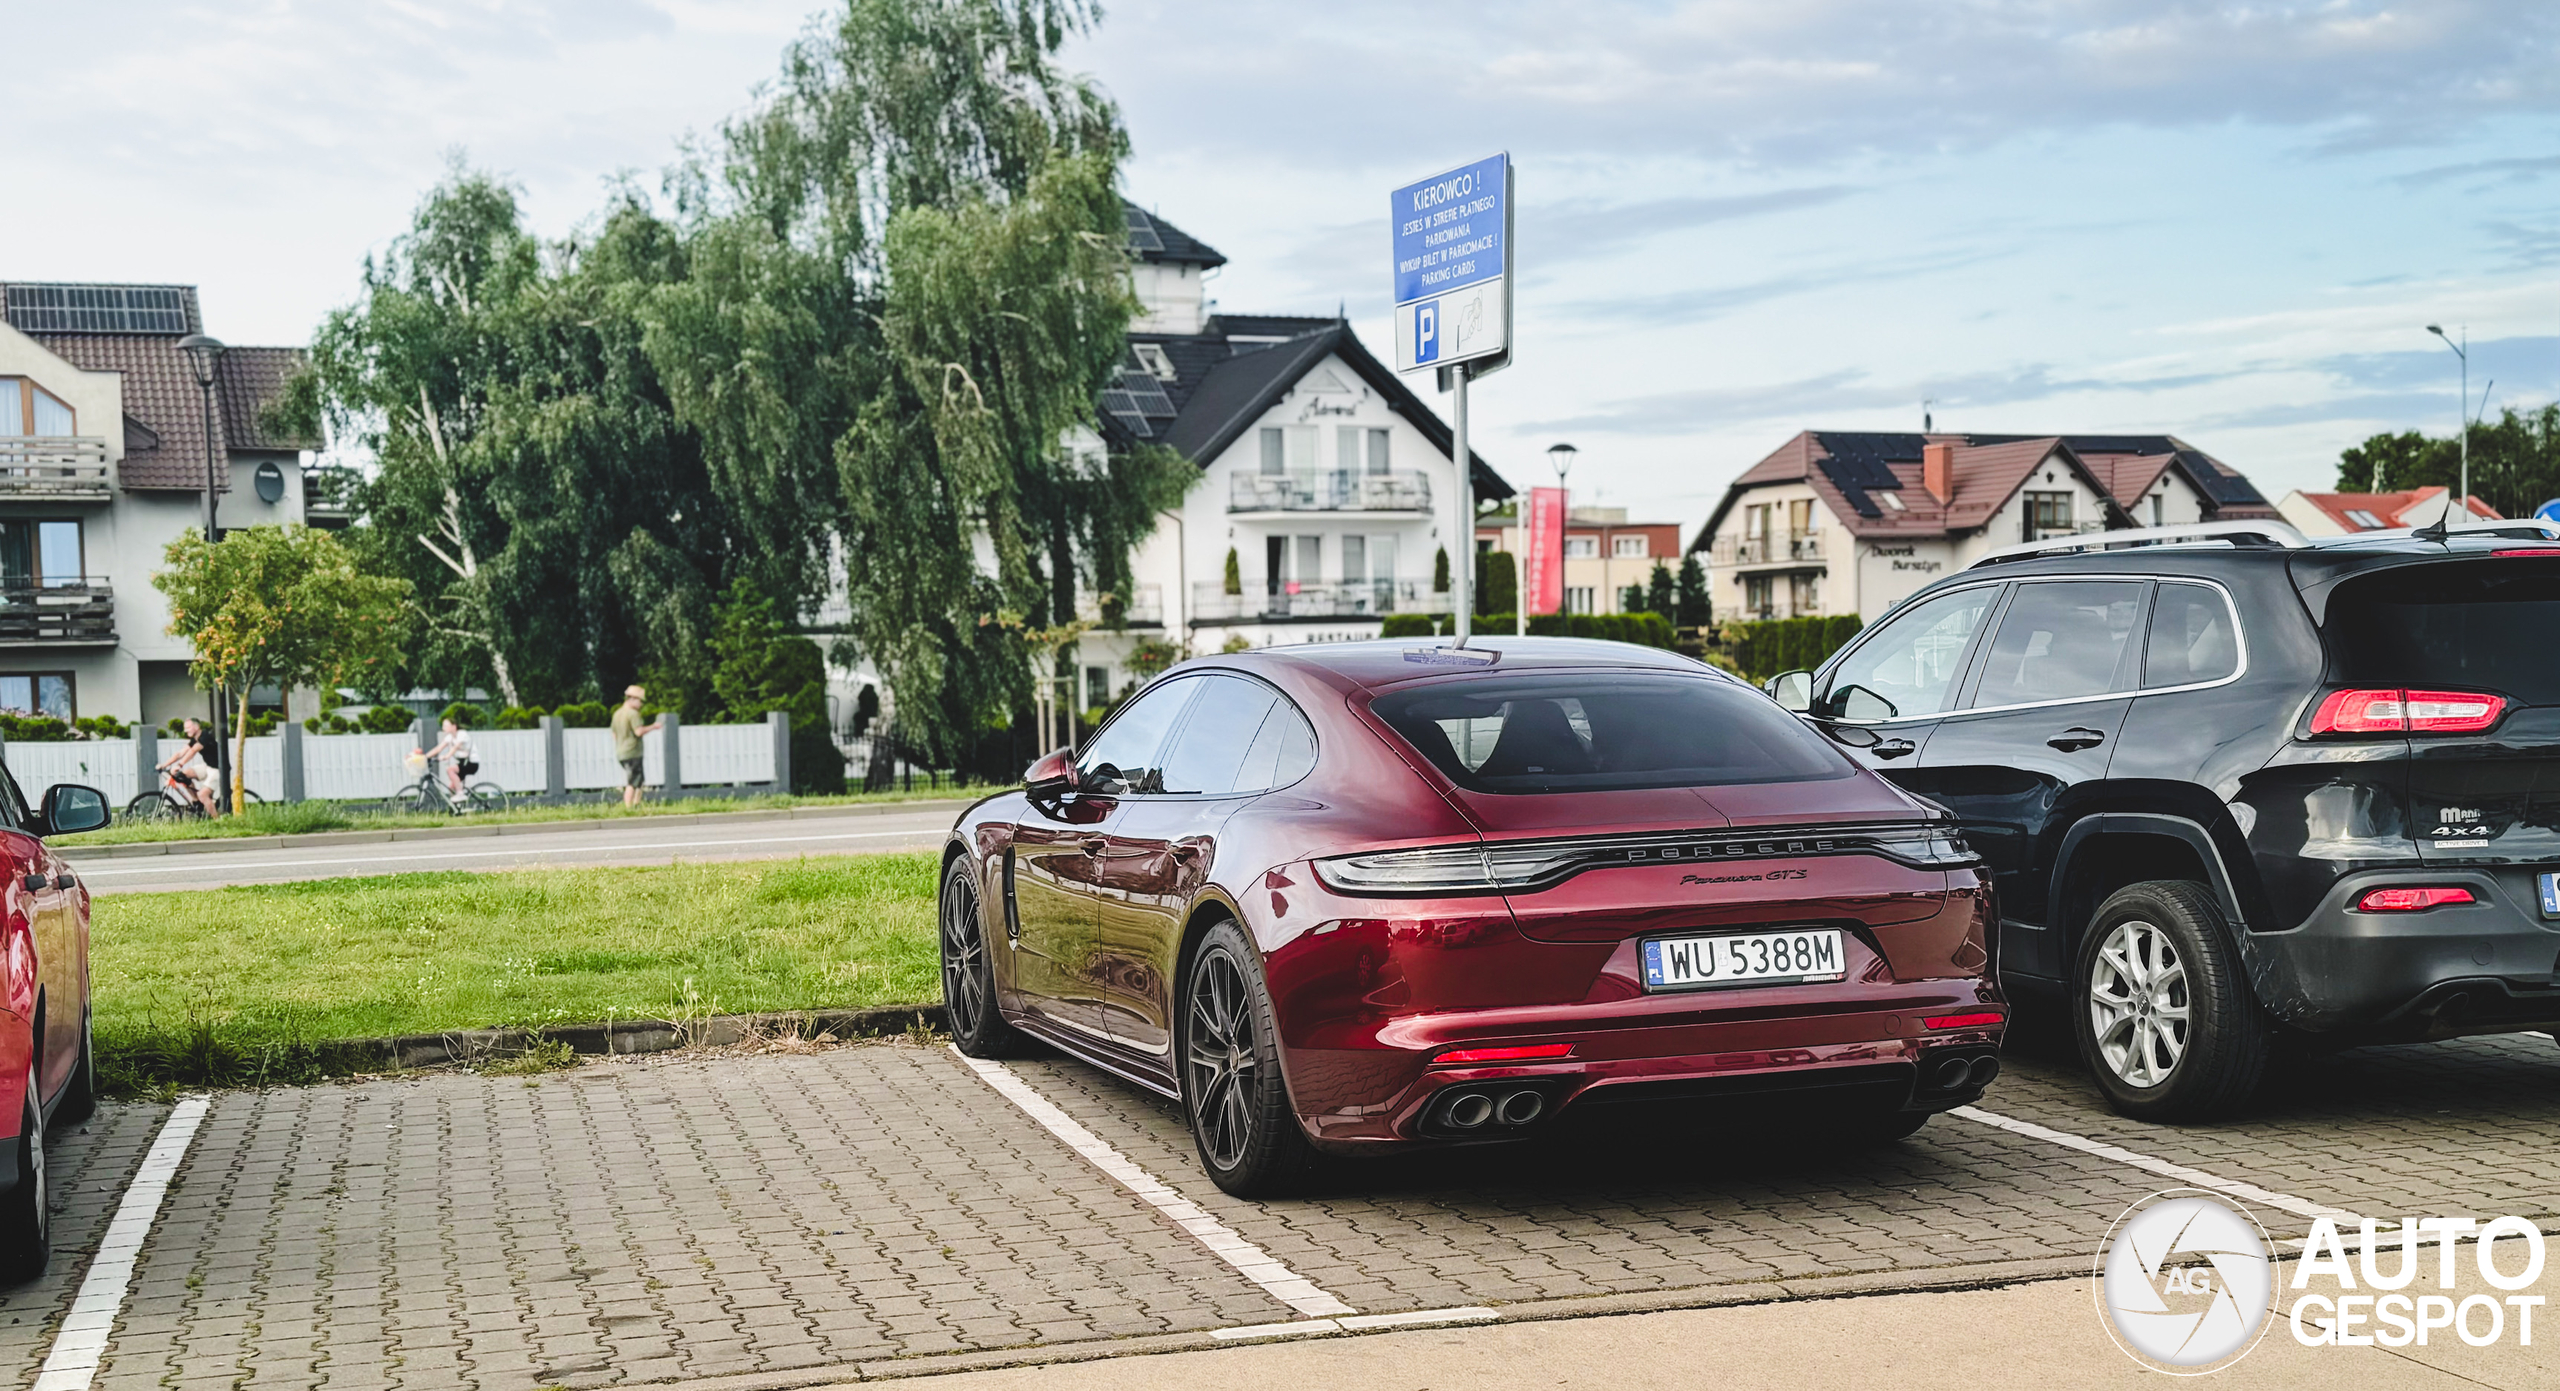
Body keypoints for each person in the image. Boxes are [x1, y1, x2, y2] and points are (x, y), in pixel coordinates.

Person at [154, 717, 219, 816]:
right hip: (208, 767)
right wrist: (164, 765)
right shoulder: (195, 739)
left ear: (196, 727)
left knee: (203, 795)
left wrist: (179, 765)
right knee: (184, 775)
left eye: (188, 728)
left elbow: (192, 751)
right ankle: (197, 802)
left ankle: (217, 821)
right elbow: (180, 753)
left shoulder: (205, 736)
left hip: (218, 769)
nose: (185, 730)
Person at [611, 685, 660, 807]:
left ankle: (637, 804)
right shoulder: (633, 714)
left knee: (639, 780)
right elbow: (638, 731)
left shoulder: (617, 714)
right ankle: (628, 807)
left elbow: (614, 734)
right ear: (631, 699)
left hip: (621, 752)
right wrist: (653, 726)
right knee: (633, 782)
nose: (641, 704)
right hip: (633, 752)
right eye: (640, 701)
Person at [423, 717, 478, 801]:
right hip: (463, 763)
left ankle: (460, 794)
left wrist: (447, 756)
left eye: (445, 725)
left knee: (450, 770)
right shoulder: (450, 737)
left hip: (471, 763)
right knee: (451, 787)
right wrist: (425, 757)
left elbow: (455, 747)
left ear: (454, 726)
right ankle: (457, 809)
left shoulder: (462, 734)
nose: (443, 728)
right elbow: (438, 748)